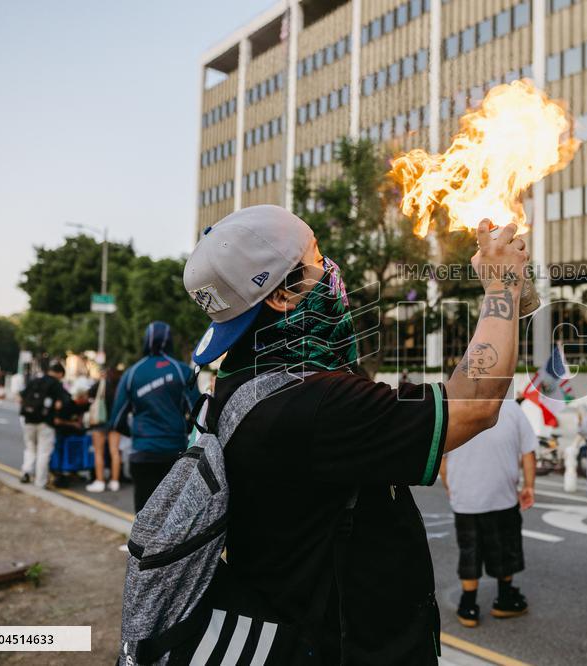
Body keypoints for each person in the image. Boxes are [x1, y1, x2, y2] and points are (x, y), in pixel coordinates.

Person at [181, 206, 528, 664]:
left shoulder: (236, 384)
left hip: (292, 632)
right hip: (347, 651)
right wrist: (502, 288)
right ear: (282, 295)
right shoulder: (314, 405)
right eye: (317, 257)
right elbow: (474, 404)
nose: (331, 269)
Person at [439, 400, 536, 628]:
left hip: (465, 498)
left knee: (469, 550)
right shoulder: (511, 408)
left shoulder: (454, 407)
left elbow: (442, 456)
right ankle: (505, 598)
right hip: (503, 495)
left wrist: (450, 486)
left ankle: (468, 606)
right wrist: (529, 486)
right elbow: (528, 451)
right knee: (505, 548)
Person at [109, 322, 199, 512]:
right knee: (173, 516)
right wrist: (181, 428)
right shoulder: (181, 370)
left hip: (143, 452)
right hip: (174, 452)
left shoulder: (132, 373)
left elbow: (116, 421)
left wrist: (137, 434)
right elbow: (199, 413)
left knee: (144, 516)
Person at [19, 362, 66, 488]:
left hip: (28, 419)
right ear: (60, 373)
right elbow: (61, 404)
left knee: (30, 448)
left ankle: (26, 472)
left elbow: (21, 397)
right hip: (46, 422)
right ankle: (40, 481)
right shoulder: (56, 385)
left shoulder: (35, 380)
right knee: (43, 452)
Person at [86, 365, 123, 493]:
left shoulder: (101, 384)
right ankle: (115, 481)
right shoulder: (120, 386)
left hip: (99, 421)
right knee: (115, 452)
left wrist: (100, 380)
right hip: (115, 422)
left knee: (98, 452)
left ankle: (100, 481)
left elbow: (89, 394)